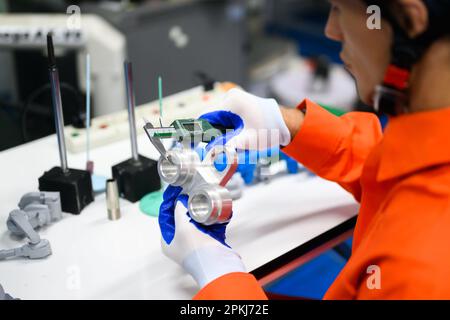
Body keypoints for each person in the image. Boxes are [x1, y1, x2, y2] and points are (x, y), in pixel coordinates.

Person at [159, 0, 450, 299]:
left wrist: (220, 279)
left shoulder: (417, 273)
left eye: (339, 9)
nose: (331, 30)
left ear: (410, 20)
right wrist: (289, 125)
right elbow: (401, 173)